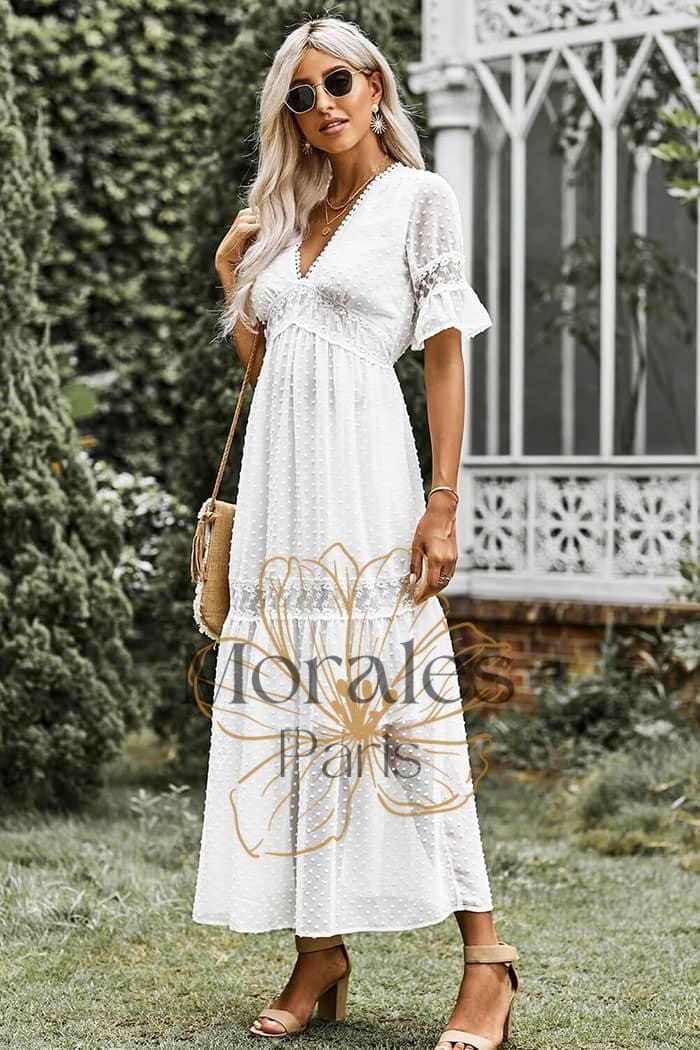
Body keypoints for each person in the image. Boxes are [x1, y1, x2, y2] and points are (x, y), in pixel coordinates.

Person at [191, 15, 520, 1050]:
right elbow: (272, 369)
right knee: (294, 709)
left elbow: (443, 355)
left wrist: (442, 500)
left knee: (402, 706)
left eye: (337, 82)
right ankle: (320, 951)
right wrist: (232, 275)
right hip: (282, 497)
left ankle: (487, 959)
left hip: (370, 484)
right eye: (301, 95)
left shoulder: (421, 199)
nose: (322, 105)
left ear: (375, 86)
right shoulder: (287, 214)